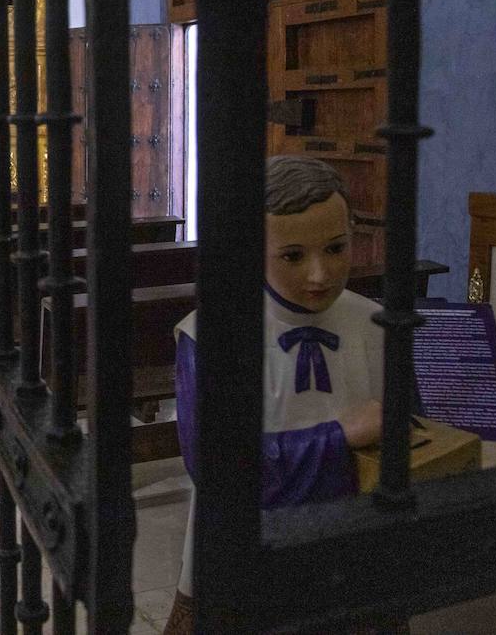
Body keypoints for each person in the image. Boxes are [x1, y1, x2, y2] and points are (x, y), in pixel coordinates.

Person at [163, 156, 385, 634]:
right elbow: (217, 468)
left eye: (336, 248)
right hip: (248, 551)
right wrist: (337, 437)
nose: (320, 275)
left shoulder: (374, 324)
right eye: (293, 255)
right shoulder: (211, 336)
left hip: (351, 549)